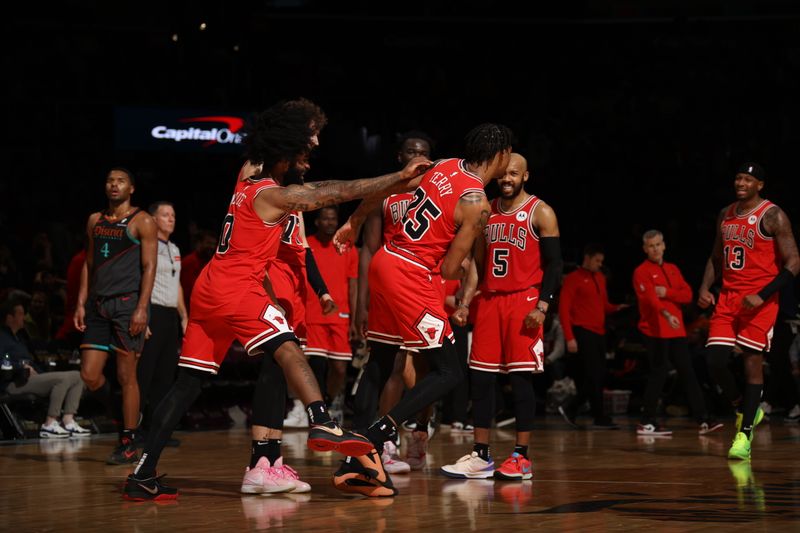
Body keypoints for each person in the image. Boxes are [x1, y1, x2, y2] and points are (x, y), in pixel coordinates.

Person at [122, 98, 431, 501]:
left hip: (209, 288)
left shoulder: (247, 172)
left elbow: (281, 151)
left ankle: (142, 473)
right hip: (238, 288)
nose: (315, 147)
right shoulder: (271, 194)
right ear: (287, 146)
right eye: (308, 142)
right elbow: (332, 192)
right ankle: (321, 419)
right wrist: (394, 179)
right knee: (287, 347)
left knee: (188, 384)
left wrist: (296, 126)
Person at [331, 123, 515, 497]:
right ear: (501, 156)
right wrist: (460, 262)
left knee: (380, 361)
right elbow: (448, 270)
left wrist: (354, 220)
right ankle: (375, 436)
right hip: (411, 275)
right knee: (449, 370)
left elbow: (386, 188)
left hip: (386, 261)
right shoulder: (477, 202)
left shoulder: (442, 165)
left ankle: (357, 462)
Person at [440, 153, 563, 481]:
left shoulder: (542, 212)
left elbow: (555, 265)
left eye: (513, 173)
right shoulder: (485, 211)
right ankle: (481, 455)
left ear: (525, 176)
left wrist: (543, 306)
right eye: (502, 174)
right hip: (490, 302)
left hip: (523, 302)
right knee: (480, 379)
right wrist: (465, 301)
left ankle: (522, 457)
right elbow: (477, 263)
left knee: (520, 380)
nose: (506, 178)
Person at [344, 131, 435, 473]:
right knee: (391, 364)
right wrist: (363, 303)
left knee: (426, 368)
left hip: (425, 284)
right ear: (400, 157)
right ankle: (384, 441)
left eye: (422, 151)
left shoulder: (437, 193)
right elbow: (368, 248)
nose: (416, 155)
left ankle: (421, 429)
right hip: (389, 286)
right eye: (410, 151)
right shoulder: (385, 192)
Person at [697, 162, 799, 460]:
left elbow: (793, 263)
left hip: (760, 302)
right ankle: (744, 407)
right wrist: (704, 287)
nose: (740, 182)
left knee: (751, 364)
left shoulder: (773, 215)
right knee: (714, 360)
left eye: (748, 179)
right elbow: (716, 258)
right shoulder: (725, 214)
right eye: (738, 177)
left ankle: (744, 437)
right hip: (728, 298)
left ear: (760, 185)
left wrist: (763, 294)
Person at [74, 167, 158, 464]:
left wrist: (141, 308)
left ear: (131, 188)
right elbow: (89, 262)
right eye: (109, 180)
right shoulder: (94, 220)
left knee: (127, 376)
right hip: (98, 305)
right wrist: (81, 302)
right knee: (90, 375)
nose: (114, 185)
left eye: (120, 181)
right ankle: (125, 415)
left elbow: (149, 268)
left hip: (126, 305)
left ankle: (129, 440)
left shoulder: (142, 221)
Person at [632, 229, 723, 436]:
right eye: (651, 246)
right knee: (659, 373)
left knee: (688, 373)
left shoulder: (672, 268)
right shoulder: (641, 271)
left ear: (664, 245)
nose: (655, 249)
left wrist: (667, 293)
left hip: (676, 330)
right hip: (654, 330)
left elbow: (687, 295)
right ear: (645, 249)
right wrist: (666, 313)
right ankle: (647, 422)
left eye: (658, 244)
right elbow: (650, 301)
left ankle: (704, 419)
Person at [558, 243, 628, 429]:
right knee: (593, 375)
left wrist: (616, 308)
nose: (599, 264)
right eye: (597, 260)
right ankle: (590, 413)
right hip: (583, 331)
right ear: (587, 258)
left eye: (601, 261)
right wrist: (569, 337)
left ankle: (581, 411)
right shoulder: (573, 279)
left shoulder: (600, 278)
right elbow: (563, 309)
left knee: (598, 375)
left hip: (599, 332)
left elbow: (603, 305)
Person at [136, 202, 188, 445]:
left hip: (169, 317)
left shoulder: (175, 248)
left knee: (165, 377)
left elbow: (177, 284)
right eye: (165, 214)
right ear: (153, 220)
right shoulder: (147, 246)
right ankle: (134, 430)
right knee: (144, 374)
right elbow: (140, 281)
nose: (171, 218)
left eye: (173, 214)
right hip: (152, 313)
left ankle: (156, 431)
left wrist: (184, 316)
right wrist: (142, 315)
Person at [1, 298, 91, 438]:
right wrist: (21, 366)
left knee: (78, 376)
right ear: (9, 317)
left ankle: (68, 420)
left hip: (30, 379)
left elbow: (32, 362)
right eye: (20, 314)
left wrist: (39, 373)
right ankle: (50, 423)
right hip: (14, 382)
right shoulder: (2, 337)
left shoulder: (20, 338)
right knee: (62, 379)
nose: (24, 317)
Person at [304, 205, 358, 423]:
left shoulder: (347, 247)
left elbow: (353, 285)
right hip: (313, 314)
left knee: (339, 368)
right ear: (317, 222)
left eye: (333, 219)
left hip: (341, 315)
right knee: (315, 367)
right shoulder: (307, 244)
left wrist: (354, 318)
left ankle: (326, 401)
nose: (329, 223)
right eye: (325, 219)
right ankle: (315, 411)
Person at [180, 229, 217, 309]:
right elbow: (189, 290)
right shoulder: (189, 261)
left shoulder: (212, 263)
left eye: (214, 244)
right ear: (199, 243)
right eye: (208, 243)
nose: (212, 247)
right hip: (191, 309)